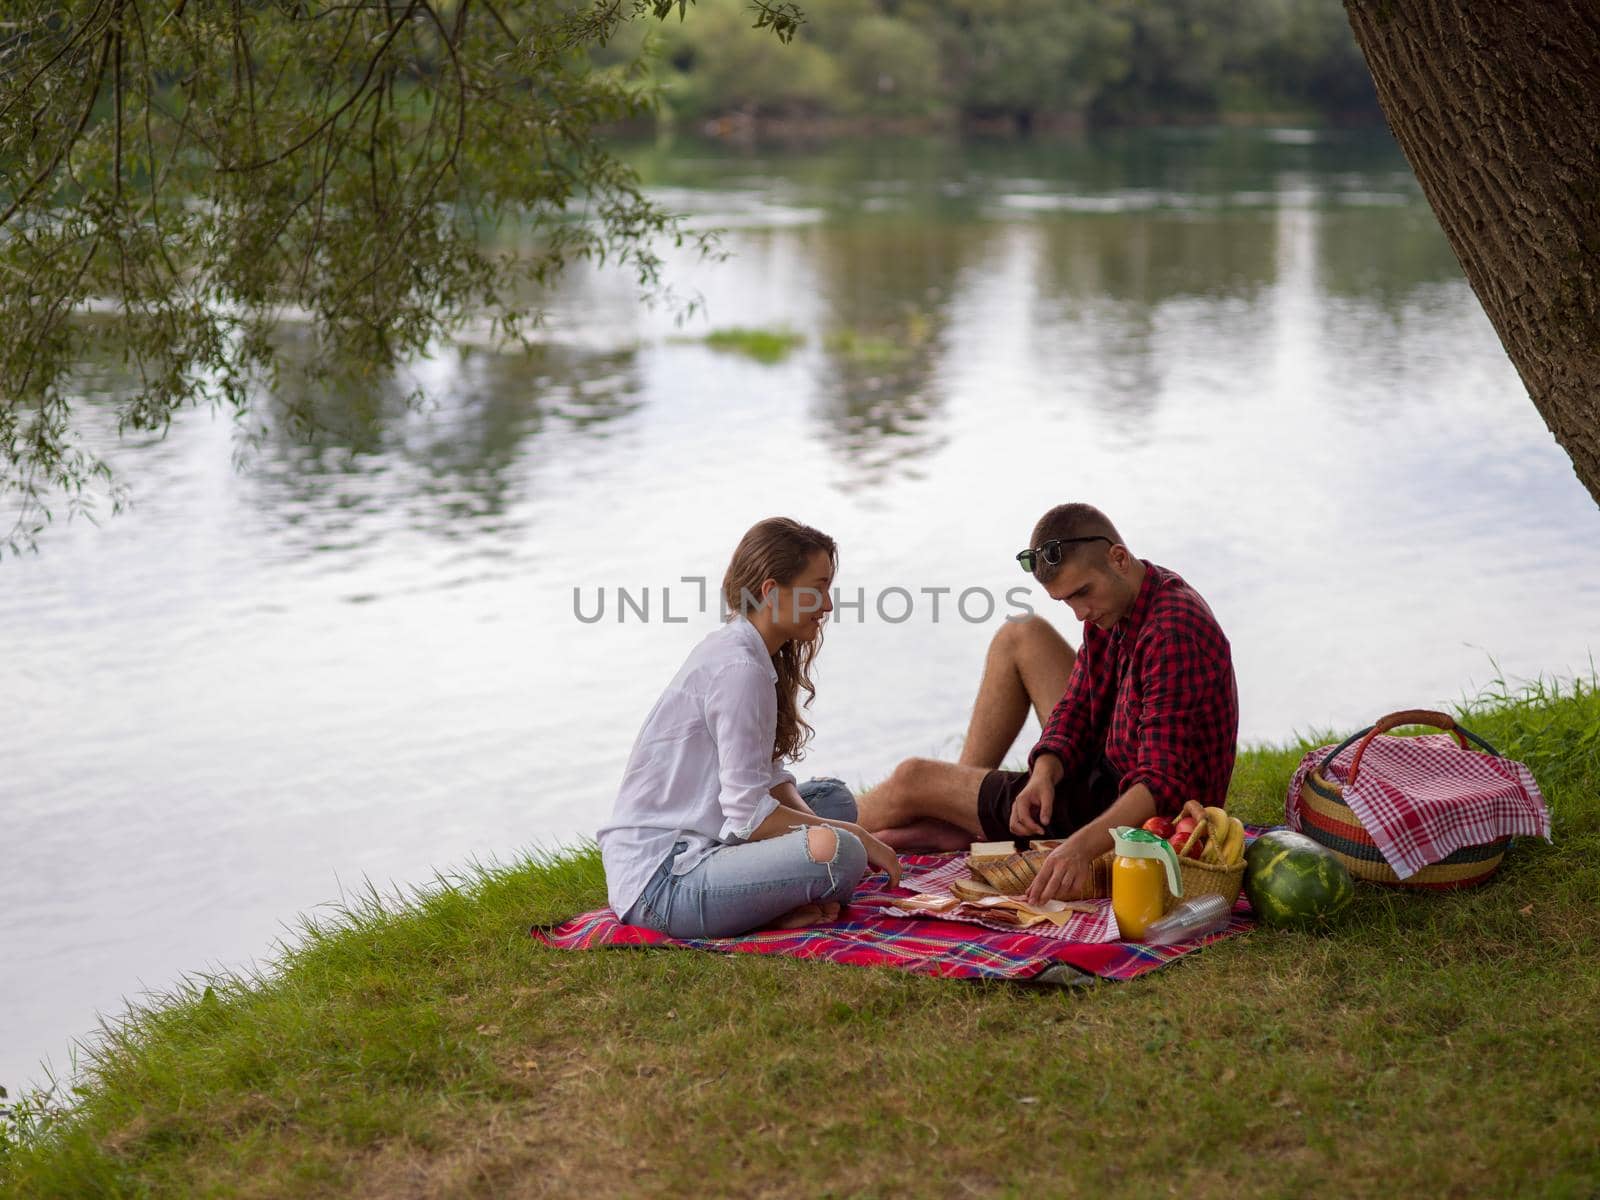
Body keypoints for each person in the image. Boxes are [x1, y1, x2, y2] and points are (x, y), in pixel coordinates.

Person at [857, 502, 1237, 907]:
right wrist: (1044, 771)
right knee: (1021, 633)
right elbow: (1075, 708)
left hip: (1139, 816)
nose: (1080, 613)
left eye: (1082, 593)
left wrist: (1078, 849)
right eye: (1066, 602)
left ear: (1119, 558)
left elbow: (1162, 786)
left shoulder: (1172, 631)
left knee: (912, 779)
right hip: (1110, 762)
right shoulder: (1123, 600)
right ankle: (963, 819)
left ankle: (807, 836)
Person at [599, 517, 901, 939]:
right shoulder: (739, 668)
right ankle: (771, 906)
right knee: (841, 854)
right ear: (772, 592)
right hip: (663, 882)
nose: (828, 606)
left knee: (833, 800)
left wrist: (825, 828)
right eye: (817, 589)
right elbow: (747, 815)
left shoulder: (753, 651)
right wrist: (848, 837)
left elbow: (769, 779)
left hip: (710, 834)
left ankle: (773, 897)